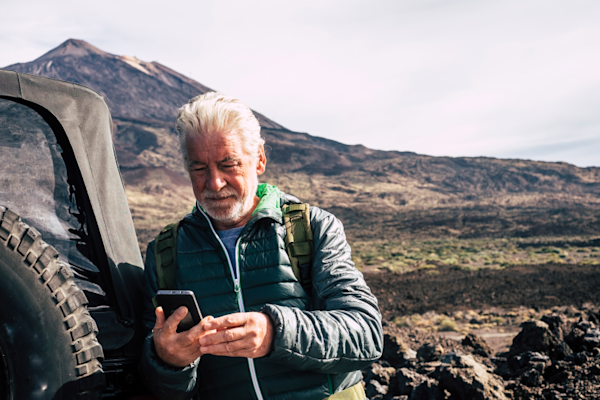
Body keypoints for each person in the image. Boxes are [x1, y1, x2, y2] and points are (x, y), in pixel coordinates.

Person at [139, 92, 383, 400]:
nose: (214, 183)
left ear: (260, 159)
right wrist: (168, 361)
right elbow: (150, 384)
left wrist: (275, 333)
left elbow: (366, 334)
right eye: (199, 168)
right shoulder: (165, 253)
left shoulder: (311, 229)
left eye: (229, 164)